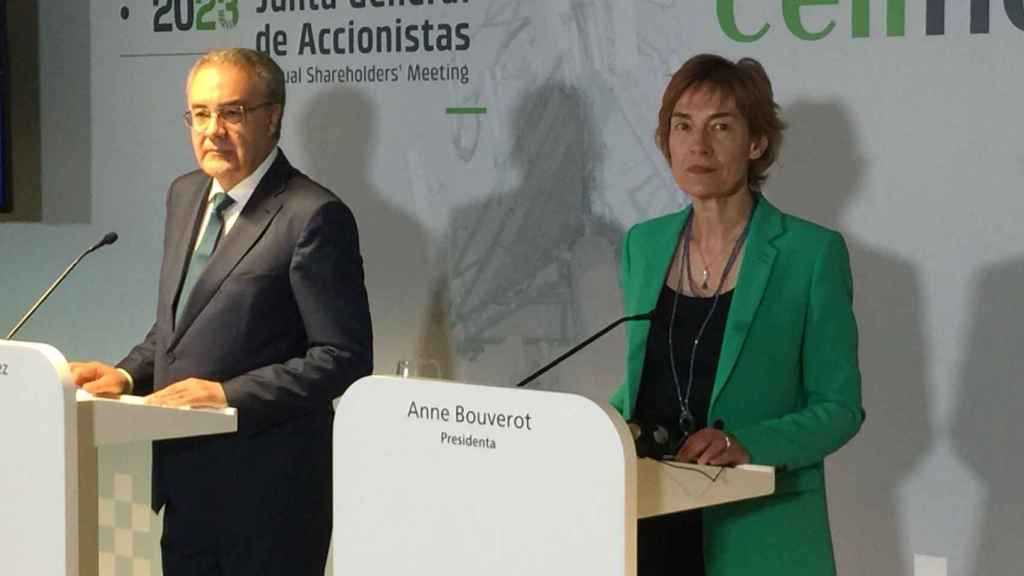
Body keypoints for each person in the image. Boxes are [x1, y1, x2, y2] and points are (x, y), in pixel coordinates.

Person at [70, 48, 373, 575]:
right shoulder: (185, 194)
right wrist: (125, 374)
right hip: (187, 483)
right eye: (200, 114)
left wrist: (228, 395)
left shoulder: (313, 215)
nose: (212, 130)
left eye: (231, 113)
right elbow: (181, 326)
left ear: (272, 116)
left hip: (272, 495)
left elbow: (343, 355)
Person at [610, 54, 863, 576]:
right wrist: (591, 429)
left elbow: (839, 408)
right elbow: (644, 379)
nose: (697, 145)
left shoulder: (810, 255)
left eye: (719, 126)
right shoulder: (644, 244)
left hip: (755, 530)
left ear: (756, 144)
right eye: (682, 126)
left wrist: (747, 444)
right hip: (646, 523)